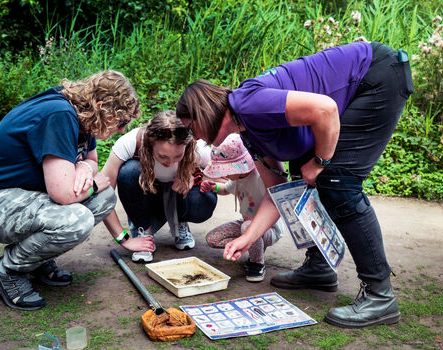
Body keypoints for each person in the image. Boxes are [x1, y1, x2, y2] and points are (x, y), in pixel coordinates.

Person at [176, 41, 414, 328]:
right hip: (355, 90)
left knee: (338, 182)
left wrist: (320, 162)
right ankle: (319, 266)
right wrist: (248, 237)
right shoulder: (248, 131)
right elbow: (279, 193)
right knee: (302, 177)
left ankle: (380, 296)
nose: (197, 138)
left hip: (376, 76)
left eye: (192, 128)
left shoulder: (248, 104)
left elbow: (325, 110)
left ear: (202, 114)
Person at [0, 70, 151, 311]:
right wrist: (93, 183)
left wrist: (83, 165)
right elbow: (63, 194)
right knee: (78, 218)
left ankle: (34, 260)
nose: (122, 130)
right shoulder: (60, 115)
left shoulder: (85, 116)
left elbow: (92, 160)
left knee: (103, 198)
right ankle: (7, 270)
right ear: (102, 106)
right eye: (121, 122)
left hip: (20, 197)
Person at [101, 110, 217, 263]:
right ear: (150, 143)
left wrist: (196, 177)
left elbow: (226, 174)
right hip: (149, 194)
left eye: (178, 156)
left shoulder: (196, 146)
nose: (170, 163)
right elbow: (103, 194)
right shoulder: (130, 142)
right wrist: (124, 240)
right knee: (128, 171)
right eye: (163, 156)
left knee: (205, 200)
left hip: (179, 196)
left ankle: (180, 220)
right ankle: (144, 232)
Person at [200, 133, 284, 282]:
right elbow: (226, 189)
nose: (222, 174)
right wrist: (214, 187)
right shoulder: (238, 178)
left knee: (247, 227)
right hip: (245, 223)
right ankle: (253, 247)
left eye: (225, 171)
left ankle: (257, 264)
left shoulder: (258, 177)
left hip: (268, 228)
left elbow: (275, 199)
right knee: (212, 239)